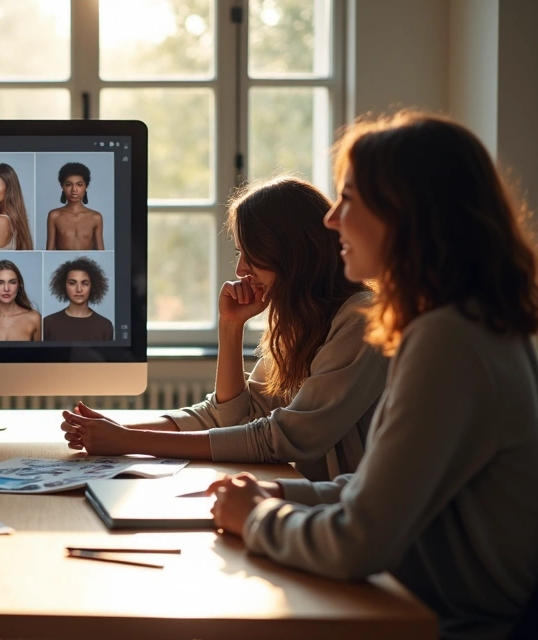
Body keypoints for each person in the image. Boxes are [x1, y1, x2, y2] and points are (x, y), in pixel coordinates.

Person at [207, 113, 538, 640]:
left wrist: (256, 518)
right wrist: (278, 493)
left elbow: (357, 541)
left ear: (406, 215)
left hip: (444, 625)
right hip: (420, 604)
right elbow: (373, 491)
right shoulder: (466, 325)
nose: (332, 219)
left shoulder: (448, 340)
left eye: (349, 199)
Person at [61, 177, 385, 482]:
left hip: (348, 515)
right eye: (240, 254)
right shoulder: (300, 325)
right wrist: (230, 326)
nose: (241, 270)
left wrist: (129, 441)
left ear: (290, 253)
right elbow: (230, 417)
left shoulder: (360, 320)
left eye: (250, 255)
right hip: (311, 501)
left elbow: (283, 438)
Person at [42, 256, 113, 341]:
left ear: (93, 286)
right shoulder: (48, 323)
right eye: (72, 283)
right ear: (64, 286)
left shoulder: (105, 325)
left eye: (85, 283)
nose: (79, 289)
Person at [0, 259, 41, 341]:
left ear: (19, 285)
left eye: (12, 282)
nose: (6, 288)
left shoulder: (34, 319)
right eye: (0, 283)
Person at [46, 162, 104, 250]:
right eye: (68, 185)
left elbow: (101, 251)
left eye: (79, 184)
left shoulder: (96, 217)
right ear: (62, 186)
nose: (74, 189)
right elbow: (49, 251)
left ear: (86, 186)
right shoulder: (54, 216)